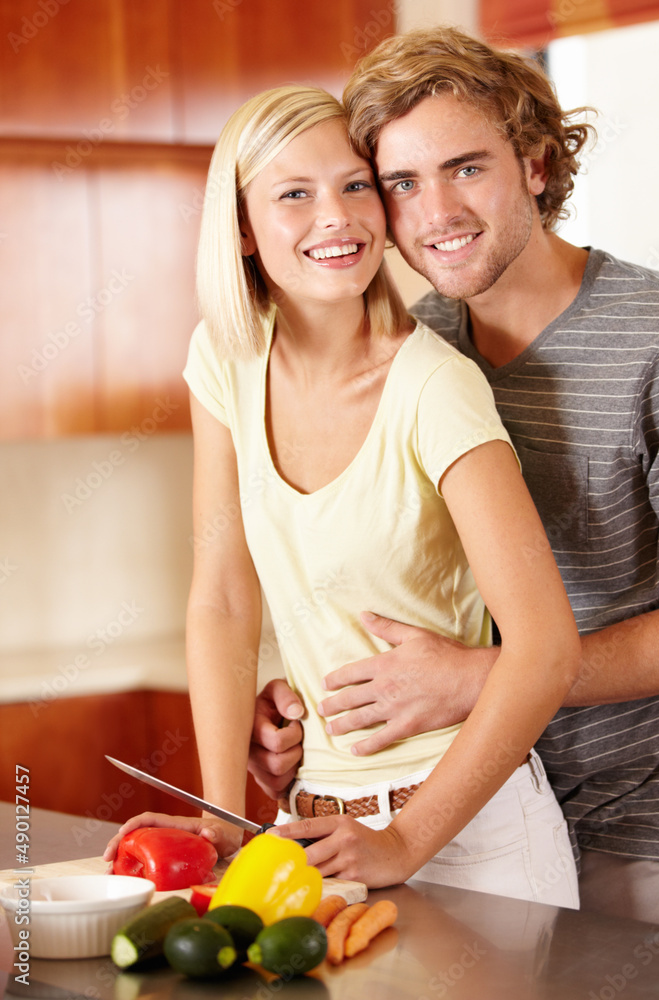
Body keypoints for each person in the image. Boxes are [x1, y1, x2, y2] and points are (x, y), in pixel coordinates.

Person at [247, 29, 659, 939]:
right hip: (482, 819)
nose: (436, 210)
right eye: (400, 183)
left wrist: (482, 679)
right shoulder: (418, 351)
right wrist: (312, 701)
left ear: (538, 165)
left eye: (466, 167)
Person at [104, 83, 582, 907]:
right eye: (295, 194)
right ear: (245, 231)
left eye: (355, 185)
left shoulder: (436, 387)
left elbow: (545, 647)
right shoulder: (225, 359)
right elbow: (222, 595)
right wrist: (222, 813)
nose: (337, 216)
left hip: (472, 837)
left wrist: (406, 839)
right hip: (314, 833)